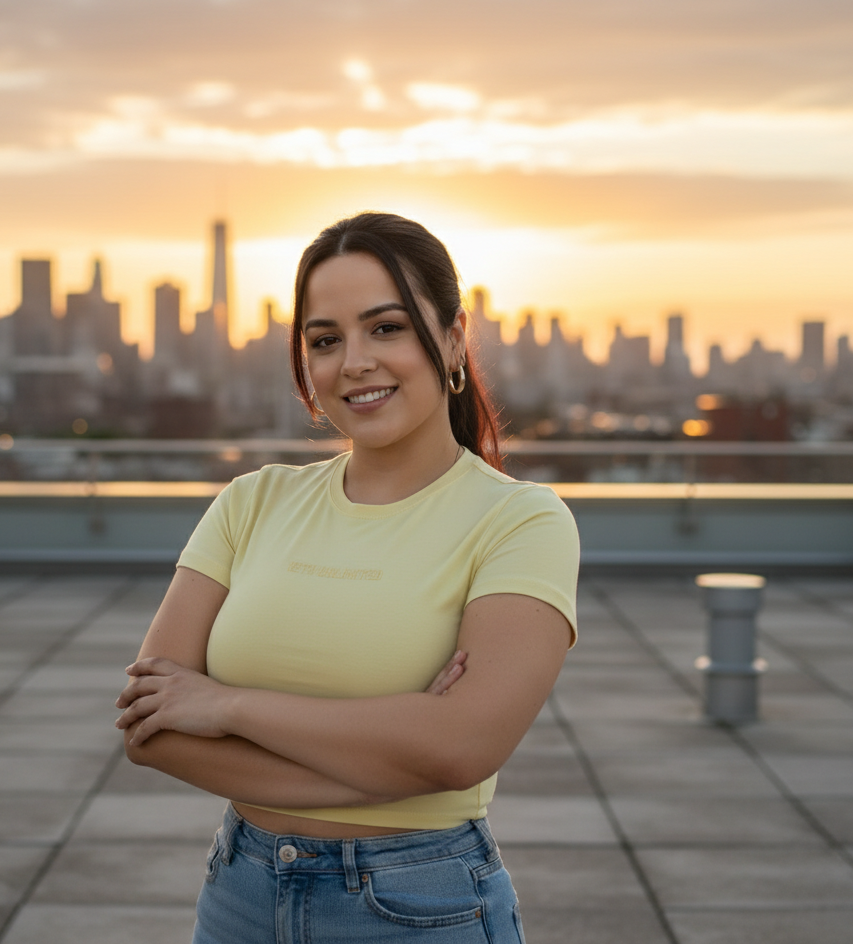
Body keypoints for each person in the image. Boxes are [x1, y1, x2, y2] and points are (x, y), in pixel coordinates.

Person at [115, 212, 579, 943]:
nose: (354, 361)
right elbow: (151, 729)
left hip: (420, 904)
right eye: (325, 340)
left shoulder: (520, 522)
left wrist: (226, 705)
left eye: (386, 327)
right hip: (239, 895)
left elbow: (462, 748)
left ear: (454, 339)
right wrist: (402, 762)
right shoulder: (251, 502)